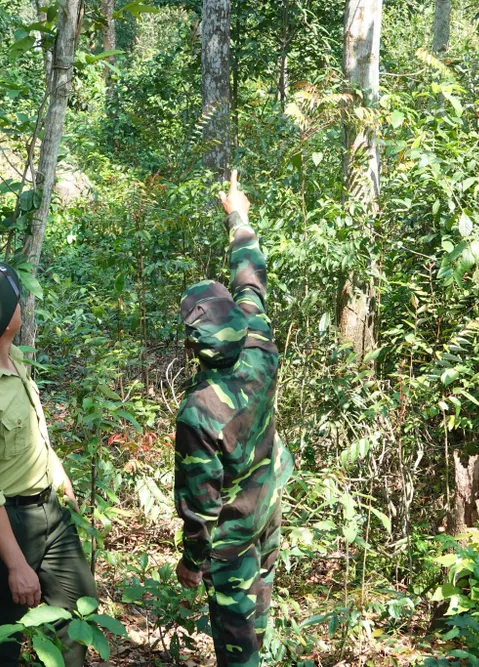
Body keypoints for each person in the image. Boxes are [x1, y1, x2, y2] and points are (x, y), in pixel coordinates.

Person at [0, 261, 97, 667]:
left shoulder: (10, 357)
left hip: (47, 511)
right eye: (12, 300)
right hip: (0, 525)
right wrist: (15, 564)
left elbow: (27, 428)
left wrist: (57, 472)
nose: (20, 303)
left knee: (78, 611)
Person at [174, 171, 292, 667]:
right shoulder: (258, 339)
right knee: (258, 618)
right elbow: (250, 274)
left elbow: (201, 506)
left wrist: (191, 562)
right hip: (267, 509)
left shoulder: (199, 412)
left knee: (237, 646)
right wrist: (238, 216)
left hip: (232, 538)